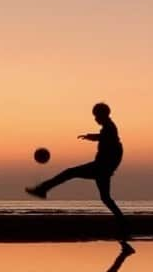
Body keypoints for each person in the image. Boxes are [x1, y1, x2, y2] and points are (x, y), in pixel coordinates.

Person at [26, 102, 131, 242]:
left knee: (70, 172)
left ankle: (43, 189)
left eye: (96, 116)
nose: (95, 119)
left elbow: (114, 147)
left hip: (100, 168)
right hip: (103, 168)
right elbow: (105, 139)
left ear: (102, 115)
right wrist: (91, 137)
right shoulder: (108, 128)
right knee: (105, 198)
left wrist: (108, 167)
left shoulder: (110, 129)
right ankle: (123, 224)